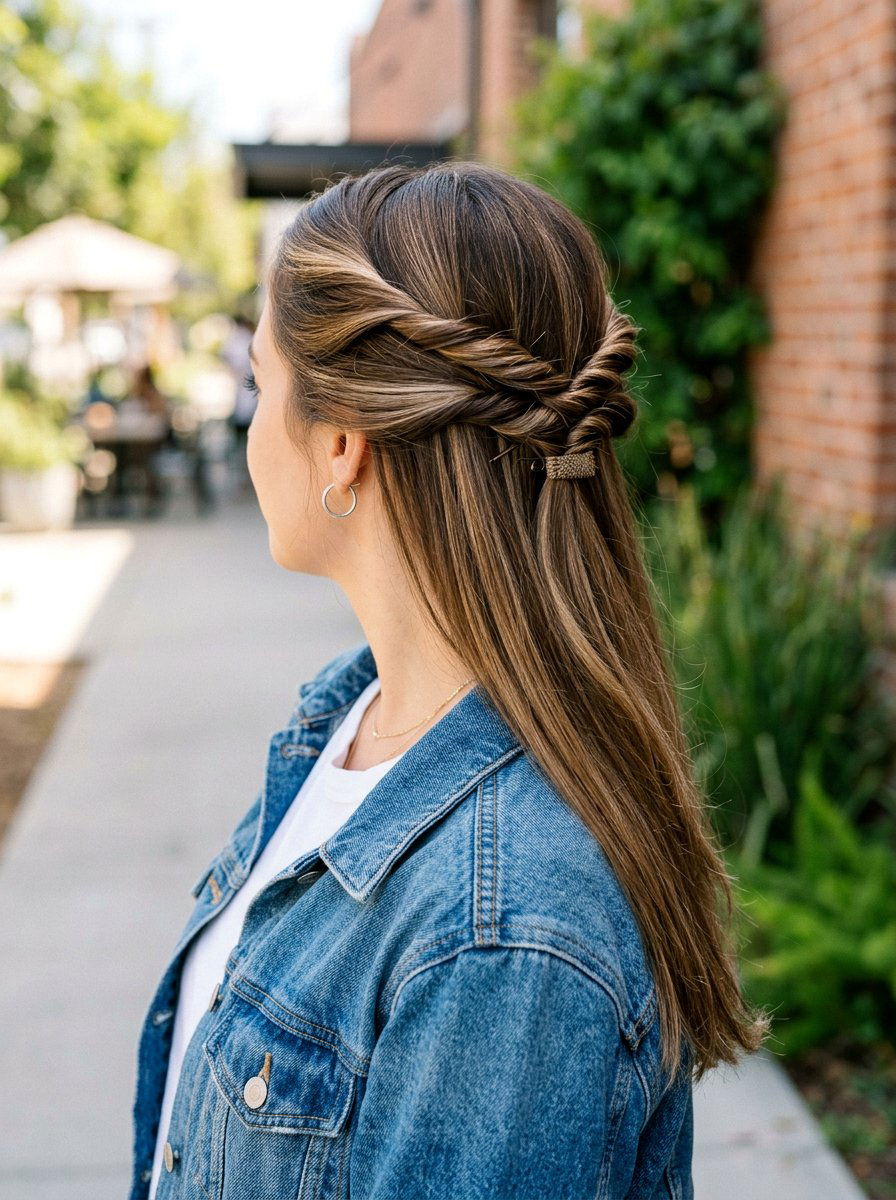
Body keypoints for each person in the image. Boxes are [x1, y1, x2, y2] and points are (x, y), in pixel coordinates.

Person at [129, 162, 770, 1200]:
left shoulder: (504, 928)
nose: (251, 427)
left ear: (339, 446)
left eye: (261, 380)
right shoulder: (348, 720)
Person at [220, 312, 258, 495]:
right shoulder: (250, 339)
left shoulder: (240, 339)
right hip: (247, 404)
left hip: (246, 406)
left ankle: (245, 480)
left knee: (243, 445)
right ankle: (247, 480)